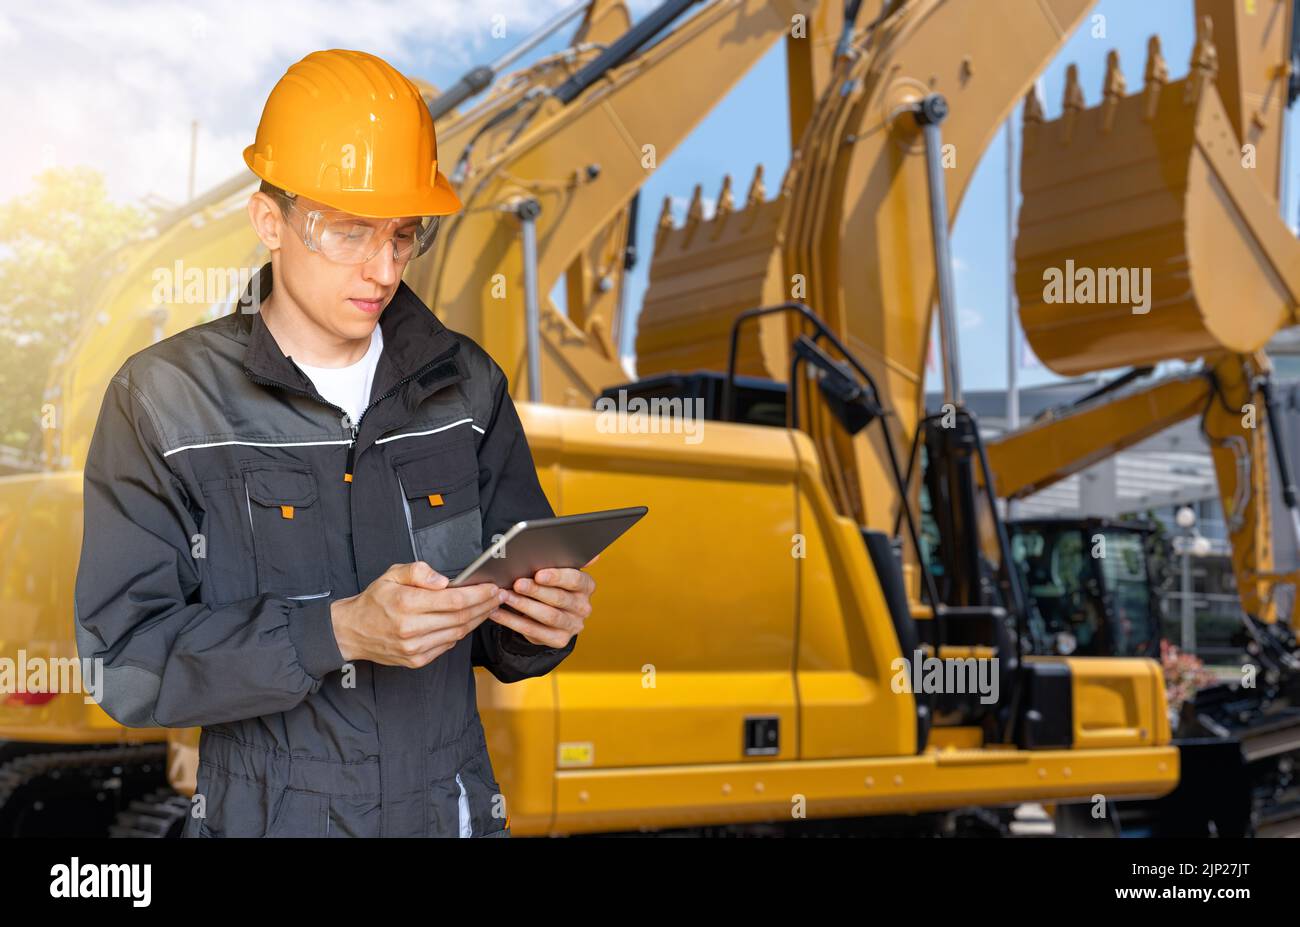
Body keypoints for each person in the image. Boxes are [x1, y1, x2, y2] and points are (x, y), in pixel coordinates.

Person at [73, 48, 593, 838]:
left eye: (402, 235)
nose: (381, 268)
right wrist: (336, 632)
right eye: (349, 231)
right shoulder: (166, 402)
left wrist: (539, 625)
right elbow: (126, 663)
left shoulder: (467, 387)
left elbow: (498, 614)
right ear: (269, 219)